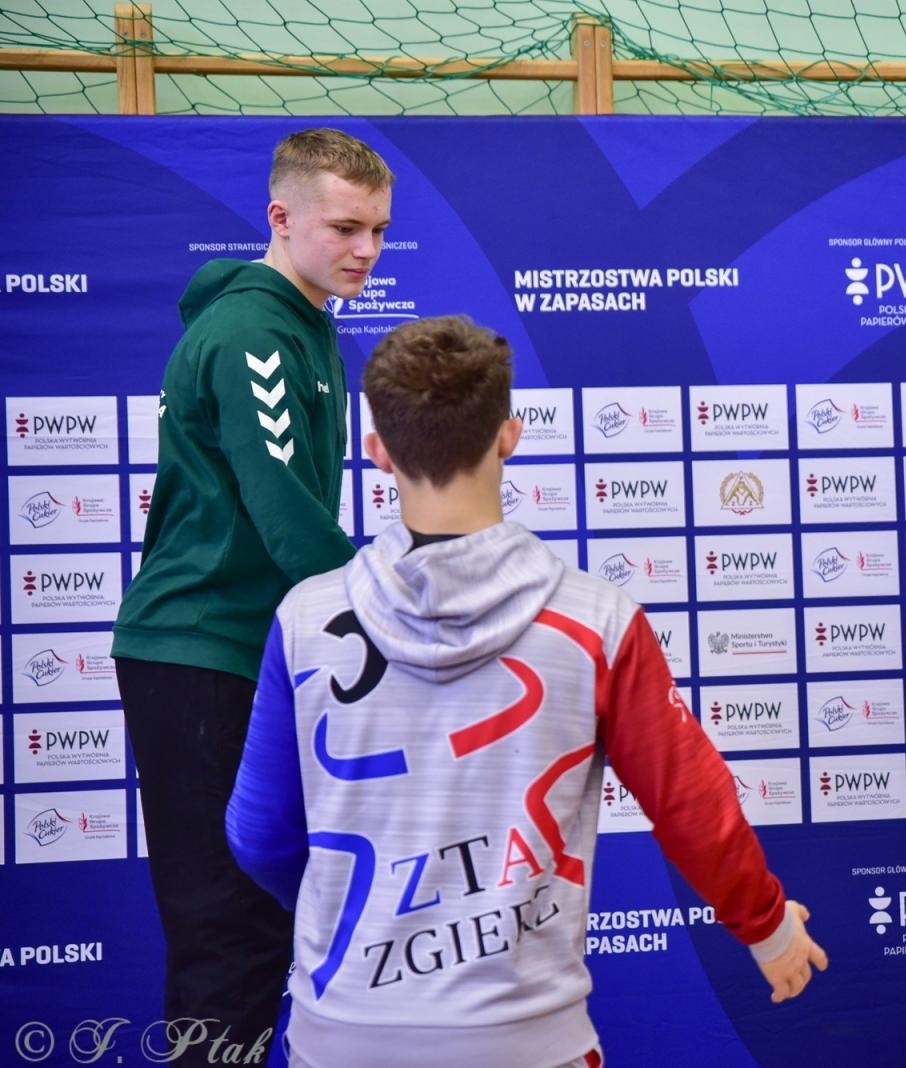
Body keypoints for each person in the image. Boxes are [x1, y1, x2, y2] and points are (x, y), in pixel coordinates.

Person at [225, 315, 827, 1067]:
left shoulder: (304, 616)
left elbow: (259, 835)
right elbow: (692, 807)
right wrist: (767, 929)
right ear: (509, 437)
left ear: (376, 452)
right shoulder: (597, 620)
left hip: (343, 1031)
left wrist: (358, 915)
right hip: (527, 1040)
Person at [112, 127, 393, 1060]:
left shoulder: (305, 325)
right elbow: (288, 524)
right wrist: (404, 612)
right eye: (346, 227)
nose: (365, 250)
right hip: (201, 652)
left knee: (259, 923)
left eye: (380, 232)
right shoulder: (253, 333)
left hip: (252, 652)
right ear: (281, 218)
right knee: (227, 930)